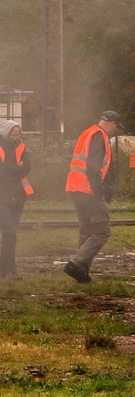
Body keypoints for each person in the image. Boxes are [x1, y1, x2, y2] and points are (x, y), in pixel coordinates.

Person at [64, 110, 121, 283]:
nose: (115, 131)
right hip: (89, 189)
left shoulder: (88, 133)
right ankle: (75, 263)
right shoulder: (99, 135)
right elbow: (93, 168)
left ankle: (81, 272)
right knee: (103, 232)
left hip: (76, 187)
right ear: (110, 123)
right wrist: (99, 192)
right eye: (116, 127)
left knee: (87, 229)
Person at [0, 121, 33, 279]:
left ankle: (6, 269)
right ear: (5, 132)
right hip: (0, 196)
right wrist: (17, 168)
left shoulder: (21, 146)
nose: (14, 137)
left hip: (17, 196)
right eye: (12, 133)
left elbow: (27, 168)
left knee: (11, 234)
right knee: (10, 232)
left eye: (17, 134)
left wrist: (10, 168)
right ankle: (8, 270)